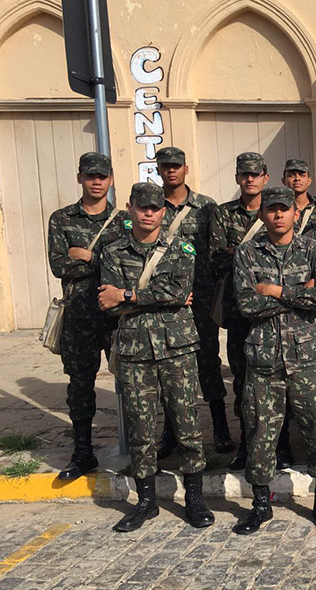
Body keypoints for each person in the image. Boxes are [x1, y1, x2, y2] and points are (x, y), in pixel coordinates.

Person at [99, 182, 213, 532]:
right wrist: (156, 297)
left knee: (187, 423)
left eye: (155, 208)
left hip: (177, 349)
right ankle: (146, 502)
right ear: (130, 208)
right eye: (142, 207)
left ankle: (194, 498)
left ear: (164, 212)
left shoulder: (182, 248)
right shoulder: (113, 251)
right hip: (135, 350)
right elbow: (108, 304)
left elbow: (179, 292)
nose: (148, 213)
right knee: (141, 427)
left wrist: (128, 295)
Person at [231, 186, 316, 535]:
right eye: (272, 209)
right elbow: (247, 304)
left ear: (296, 213)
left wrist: (275, 290)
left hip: (306, 357)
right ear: (261, 214)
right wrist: (300, 292)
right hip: (264, 359)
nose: (278, 215)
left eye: (284, 209)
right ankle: (261, 505)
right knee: (260, 434)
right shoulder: (247, 253)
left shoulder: (314, 249)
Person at [47, 152, 126, 481]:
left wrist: (88, 257)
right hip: (79, 317)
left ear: (110, 179)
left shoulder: (123, 221)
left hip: (116, 316)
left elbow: (126, 267)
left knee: (131, 382)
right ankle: (83, 452)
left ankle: (138, 449)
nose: (96, 181)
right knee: (80, 385)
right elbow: (58, 265)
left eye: (102, 176)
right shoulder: (61, 218)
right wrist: (104, 262)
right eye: (91, 175)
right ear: (80, 177)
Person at [153, 146, 234, 459]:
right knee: (169, 367)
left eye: (176, 166)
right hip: (164, 302)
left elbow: (215, 251)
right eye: (165, 166)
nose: (171, 171)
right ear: (159, 170)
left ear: (186, 169)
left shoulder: (205, 206)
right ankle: (171, 431)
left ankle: (220, 427)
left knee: (208, 361)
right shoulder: (152, 205)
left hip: (200, 298)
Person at [209, 152, 282, 470]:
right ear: (237, 178)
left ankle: (279, 445)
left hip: (272, 312)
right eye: (244, 174)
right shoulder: (223, 214)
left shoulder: (276, 209)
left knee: (276, 380)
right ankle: (247, 444)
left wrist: (237, 252)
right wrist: (252, 257)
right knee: (242, 382)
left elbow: (282, 256)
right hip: (238, 312)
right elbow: (215, 259)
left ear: (266, 177)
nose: (249, 179)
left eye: (255, 174)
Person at [281, 158, 316, 235]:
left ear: (309, 180)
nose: (297, 179)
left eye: (302, 175)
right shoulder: (277, 208)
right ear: (283, 180)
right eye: (291, 175)